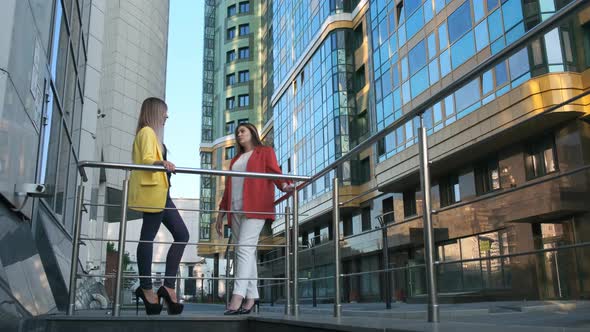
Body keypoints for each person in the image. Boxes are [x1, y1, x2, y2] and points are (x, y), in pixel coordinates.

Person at [215, 123, 294, 315]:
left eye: (242, 130)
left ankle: (238, 296)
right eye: (237, 132)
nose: (239, 134)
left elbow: (275, 172)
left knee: (243, 249)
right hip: (235, 210)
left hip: (256, 208)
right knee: (246, 252)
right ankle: (252, 297)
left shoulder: (264, 152)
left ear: (252, 133)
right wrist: (220, 214)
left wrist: (284, 186)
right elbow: (228, 189)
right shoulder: (235, 160)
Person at [128, 97, 189, 315]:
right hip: (154, 193)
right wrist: (162, 163)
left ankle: (167, 286)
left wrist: (163, 164)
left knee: (182, 234)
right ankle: (146, 288)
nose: (167, 116)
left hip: (163, 193)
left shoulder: (153, 135)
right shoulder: (146, 132)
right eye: (164, 112)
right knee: (148, 237)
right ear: (155, 111)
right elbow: (144, 160)